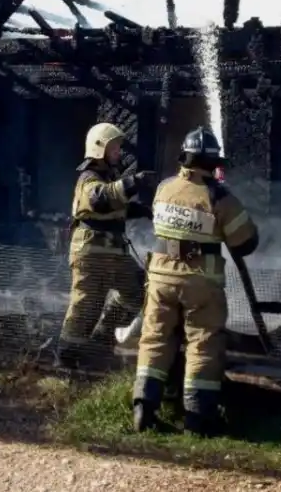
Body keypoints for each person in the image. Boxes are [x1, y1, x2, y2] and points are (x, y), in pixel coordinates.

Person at [132, 126, 259, 437]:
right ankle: (197, 420)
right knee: (203, 344)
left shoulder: (165, 188)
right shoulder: (219, 197)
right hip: (200, 283)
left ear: (184, 158)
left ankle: (143, 408)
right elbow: (246, 242)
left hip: (160, 278)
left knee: (155, 338)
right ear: (213, 162)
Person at [58, 122, 156, 371]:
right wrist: (134, 182)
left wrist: (143, 210)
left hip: (113, 252)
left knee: (138, 291)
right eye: (114, 148)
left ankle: (102, 338)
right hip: (91, 254)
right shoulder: (88, 178)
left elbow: (113, 206)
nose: (118, 153)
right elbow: (100, 200)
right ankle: (67, 356)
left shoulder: (109, 178)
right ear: (99, 149)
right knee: (86, 306)